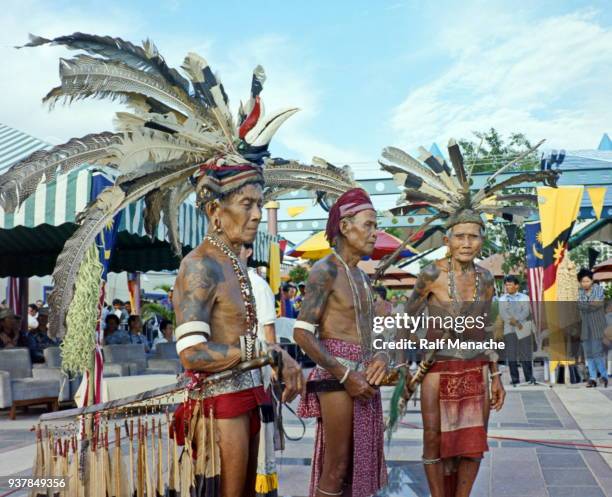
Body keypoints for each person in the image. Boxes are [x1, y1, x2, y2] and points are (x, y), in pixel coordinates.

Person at [171, 150, 304, 496]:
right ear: (216, 210)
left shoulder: (233, 263)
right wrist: (265, 351)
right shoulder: (200, 265)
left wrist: (276, 354)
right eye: (247, 204)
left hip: (247, 398)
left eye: (260, 204)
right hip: (221, 405)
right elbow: (192, 354)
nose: (258, 215)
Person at [403, 211, 505, 497]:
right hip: (437, 368)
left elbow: (485, 329)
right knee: (433, 439)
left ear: (482, 240)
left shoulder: (486, 278)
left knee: (472, 443)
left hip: (476, 369)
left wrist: (496, 375)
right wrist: (404, 365)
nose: (466, 243)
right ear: (447, 240)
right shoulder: (432, 273)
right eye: (460, 236)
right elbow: (406, 320)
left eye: (473, 236)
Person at [295, 188, 389, 497]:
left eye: (375, 226)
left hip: (362, 379)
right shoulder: (325, 270)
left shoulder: (361, 277)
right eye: (369, 225)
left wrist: (380, 357)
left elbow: (373, 333)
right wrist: (346, 376)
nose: (375, 233)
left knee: (357, 467)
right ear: (345, 227)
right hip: (338, 378)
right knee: (336, 467)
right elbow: (302, 334)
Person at [499, 275, 535, 385]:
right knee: (511, 355)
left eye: (510, 284)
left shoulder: (524, 297)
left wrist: (517, 321)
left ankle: (529, 378)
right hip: (509, 330)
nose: (507, 287)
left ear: (516, 286)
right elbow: (503, 314)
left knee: (525, 354)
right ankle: (515, 379)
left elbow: (526, 312)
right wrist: (514, 322)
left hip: (523, 329)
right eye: (506, 285)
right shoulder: (502, 299)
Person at [577, 268, 608, 388]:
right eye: (583, 281)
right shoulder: (579, 292)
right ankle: (593, 378)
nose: (585, 284)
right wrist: (591, 303)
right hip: (585, 327)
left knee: (596, 352)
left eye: (587, 281)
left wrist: (587, 304)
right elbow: (581, 305)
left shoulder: (599, 289)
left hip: (597, 326)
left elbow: (598, 304)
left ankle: (604, 376)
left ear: (592, 280)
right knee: (588, 354)